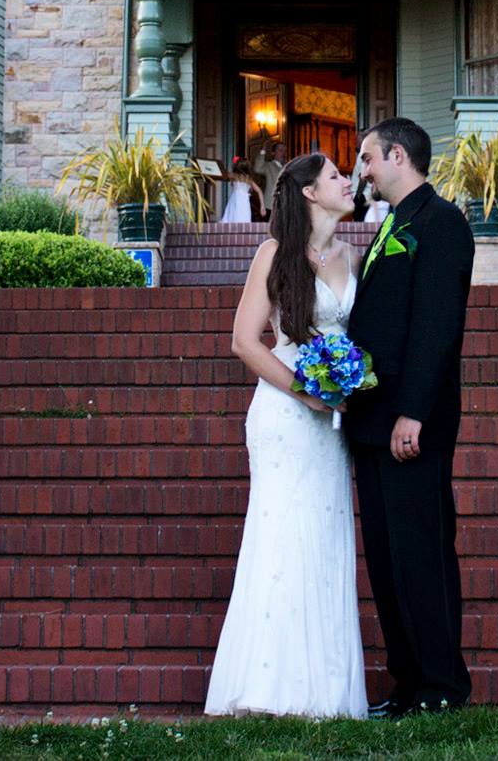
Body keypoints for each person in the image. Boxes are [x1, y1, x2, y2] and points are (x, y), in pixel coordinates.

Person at [204, 153, 367, 719]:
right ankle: (265, 689)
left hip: (332, 423)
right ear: (307, 193)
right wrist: (306, 390)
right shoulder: (274, 253)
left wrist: (350, 383)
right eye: (336, 177)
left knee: (323, 535)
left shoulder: (353, 257)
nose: (348, 182)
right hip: (284, 414)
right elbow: (245, 341)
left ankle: (322, 692)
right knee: (281, 535)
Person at [343, 117, 476, 716]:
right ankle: (407, 683)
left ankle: (443, 686)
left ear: (398, 155)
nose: (362, 171)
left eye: (367, 158)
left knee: (422, 551)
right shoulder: (387, 225)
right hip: (370, 420)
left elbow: (435, 327)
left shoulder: (441, 223)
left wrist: (413, 413)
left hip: (409, 423)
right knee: (387, 557)